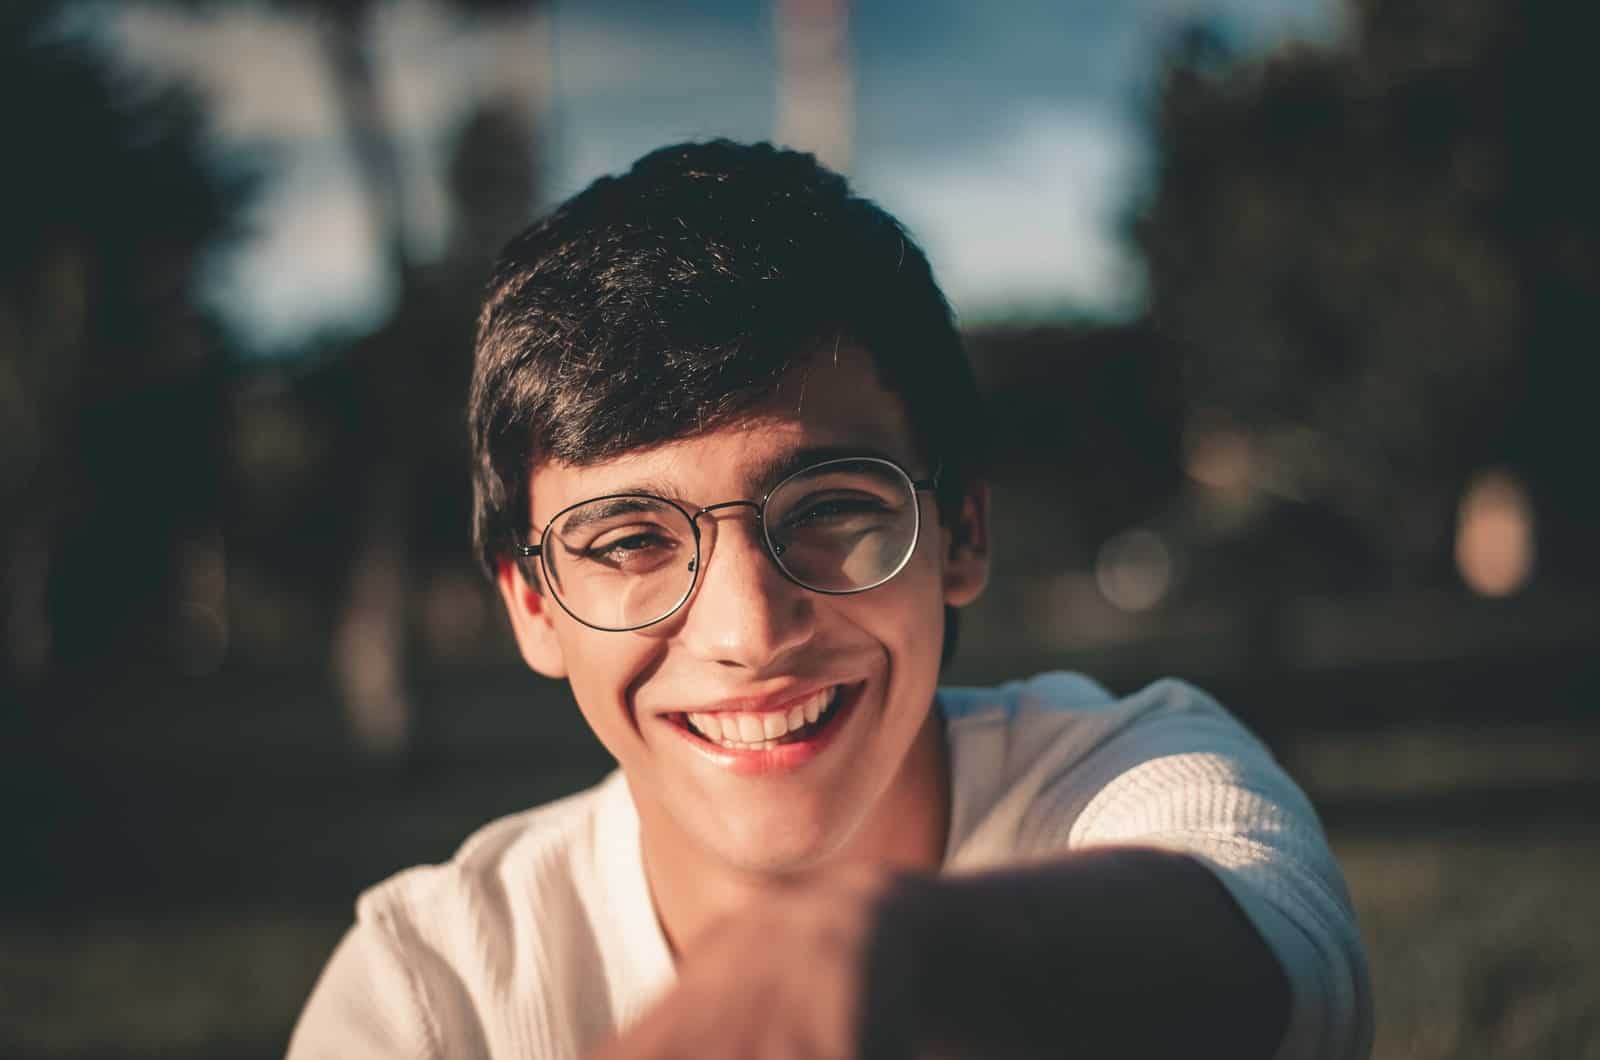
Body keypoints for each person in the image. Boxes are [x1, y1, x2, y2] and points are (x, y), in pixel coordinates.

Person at [287, 139, 1372, 1060]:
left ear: (962, 533)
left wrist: (890, 949)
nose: (750, 631)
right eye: (627, 540)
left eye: (829, 509)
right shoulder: (435, 992)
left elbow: (1283, 954)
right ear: (531, 604)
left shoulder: (1118, 776)